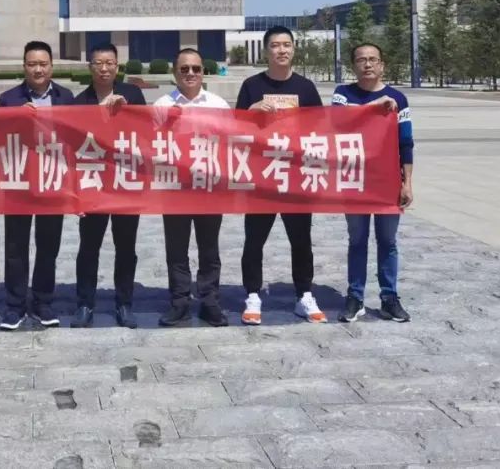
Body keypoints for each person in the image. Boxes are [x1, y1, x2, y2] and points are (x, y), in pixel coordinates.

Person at [236, 25, 326, 325]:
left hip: (296, 178)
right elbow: (235, 129)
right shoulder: (251, 85)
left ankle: (304, 294)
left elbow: (320, 130)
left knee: (301, 240)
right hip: (262, 177)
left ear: (294, 49)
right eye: (275, 45)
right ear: (266, 51)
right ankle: (252, 294)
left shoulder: (306, 88)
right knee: (254, 240)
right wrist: (250, 112)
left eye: (287, 44)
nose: (282, 50)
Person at [0, 40, 75, 330]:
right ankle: (14, 305)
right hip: (18, 182)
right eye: (32, 64)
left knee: (48, 245)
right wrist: (16, 118)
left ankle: (43, 301)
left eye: (43, 64)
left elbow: (76, 138)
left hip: (53, 181)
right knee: (15, 247)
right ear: (24, 67)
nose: (37, 69)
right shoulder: (8, 99)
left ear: (51, 66)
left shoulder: (66, 97)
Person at [332, 43, 413, 323]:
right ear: (353, 65)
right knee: (357, 240)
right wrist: (373, 107)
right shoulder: (343, 94)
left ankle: (389, 297)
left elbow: (406, 142)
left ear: (382, 65)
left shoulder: (398, 99)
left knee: (387, 241)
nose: (367, 64)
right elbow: (337, 124)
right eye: (361, 60)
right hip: (354, 180)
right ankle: (355, 296)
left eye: (373, 59)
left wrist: (407, 182)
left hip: (387, 182)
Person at [71, 42, 147, 329]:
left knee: (126, 246)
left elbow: (146, 132)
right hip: (93, 185)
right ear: (90, 67)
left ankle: (124, 303)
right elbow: (72, 147)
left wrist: (128, 112)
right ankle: (85, 303)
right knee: (89, 247)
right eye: (98, 63)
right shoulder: (79, 102)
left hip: (125, 182)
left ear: (117, 66)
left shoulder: (132, 94)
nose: (104, 68)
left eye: (109, 63)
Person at [154, 47, 231, 326]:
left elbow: (232, 141)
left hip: (209, 185)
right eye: (184, 69)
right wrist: (166, 125)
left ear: (203, 72)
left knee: (209, 248)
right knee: (176, 249)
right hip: (175, 187)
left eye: (196, 69)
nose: (190, 73)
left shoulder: (218, 105)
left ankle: (210, 301)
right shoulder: (161, 104)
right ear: (175, 72)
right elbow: (150, 143)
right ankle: (180, 302)